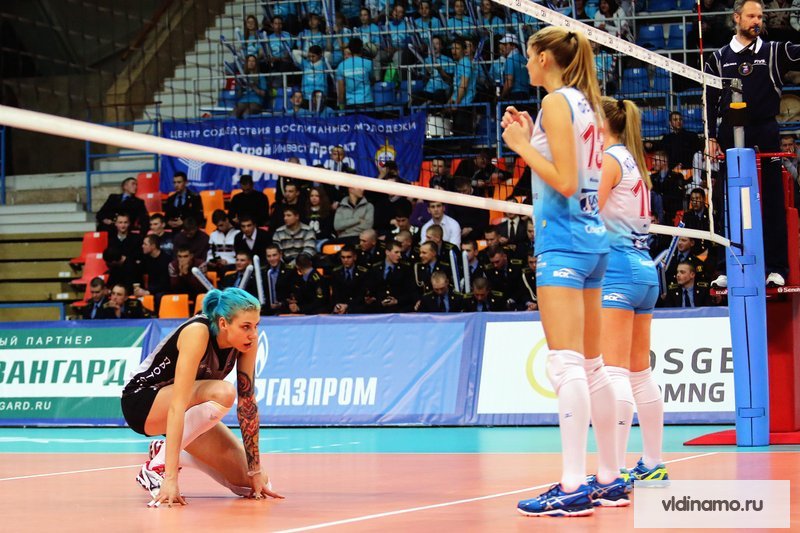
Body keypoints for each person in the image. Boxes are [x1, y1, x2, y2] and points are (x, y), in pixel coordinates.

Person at [501, 27, 620, 517]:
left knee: (565, 365)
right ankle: (609, 479)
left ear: (546, 58)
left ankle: (572, 487)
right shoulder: (585, 103)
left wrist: (520, 145)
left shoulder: (556, 101)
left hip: (565, 242)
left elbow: (567, 182)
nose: (525, 63)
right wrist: (534, 137)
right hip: (591, 241)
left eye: (529, 56)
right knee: (592, 366)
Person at [121, 287, 283, 506]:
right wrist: (170, 478)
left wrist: (254, 471)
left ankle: (173, 453)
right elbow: (178, 404)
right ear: (223, 323)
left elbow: (247, 405)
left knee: (256, 482)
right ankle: (156, 467)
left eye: (256, 325)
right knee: (224, 392)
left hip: (187, 412)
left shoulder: (247, 343)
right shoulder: (198, 332)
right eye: (246, 326)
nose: (253, 334)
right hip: (143, 402)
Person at [597, 97, 668, 504]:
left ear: (603, 123)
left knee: (615, 372)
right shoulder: (633, 162)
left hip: (619, 269)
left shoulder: (610, 160)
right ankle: (653, 462)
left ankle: (614, 472)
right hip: (644, 268)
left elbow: (587, 210)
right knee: (639, 373)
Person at [705, 0, 800, 287]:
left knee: (772, 200)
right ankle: (725, 268)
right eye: (751, 16)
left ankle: (777, 268)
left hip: (765, 129)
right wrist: (710, 137)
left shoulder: (774, 51)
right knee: (727, 201)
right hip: (729, 131)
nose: (757, 21)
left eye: (760, 16)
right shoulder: (718, 58)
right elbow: (709, 100)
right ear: (737, 18)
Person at [207, 210, 240, 276]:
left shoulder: (238, 233)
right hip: (217, 265)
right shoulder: (213, 235)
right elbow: (210, 253)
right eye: (217, 226)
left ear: (227, 220)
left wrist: (228, 262)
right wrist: (214, 261)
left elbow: (241, 253)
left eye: (221, 225)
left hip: (233, 264)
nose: (219, 228)